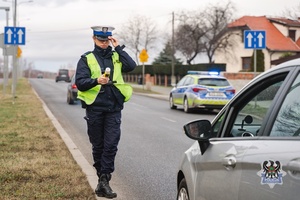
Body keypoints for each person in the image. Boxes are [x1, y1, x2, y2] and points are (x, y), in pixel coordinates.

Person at [75, 25, 137, 198]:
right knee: (98, 146)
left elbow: (131, 66)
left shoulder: (116, 55)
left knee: (111, 145)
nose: (103, 43)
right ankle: (102, 181)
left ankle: (104, 181)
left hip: (113, 107)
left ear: (110, 39)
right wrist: (96, 80)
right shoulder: (86, 59)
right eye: (101, 40)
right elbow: (80, 82)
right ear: (94, 39)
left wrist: (118, 47)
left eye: (106, 40)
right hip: (95, 107)